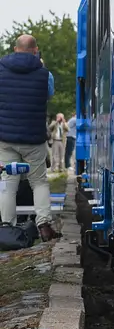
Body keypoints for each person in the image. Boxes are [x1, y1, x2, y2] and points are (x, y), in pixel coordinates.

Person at [0, 35, 60, 241]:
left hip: (6, 137)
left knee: (8, 183)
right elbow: (48, 95)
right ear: (36, 50)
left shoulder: (1, 69)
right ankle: (44, 225)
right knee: (39, 182)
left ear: (15, 49)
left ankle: (8, 226)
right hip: (33, 138)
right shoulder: (45, 74)